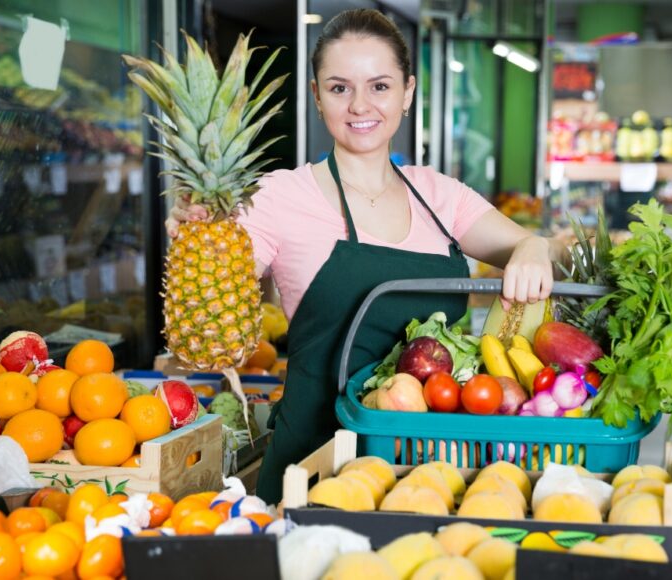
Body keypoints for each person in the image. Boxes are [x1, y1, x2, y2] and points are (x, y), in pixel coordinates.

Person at [166, 8, 565, 504]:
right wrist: (196, 239)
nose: (360, 105)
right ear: (317, 96)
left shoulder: (439, 195)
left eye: (379, 86)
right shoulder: (276, 197)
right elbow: (212, 305)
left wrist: (533, 246)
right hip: (312, 467)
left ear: (408, 92)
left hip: (429, 470)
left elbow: (534, 246)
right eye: (340, 88)